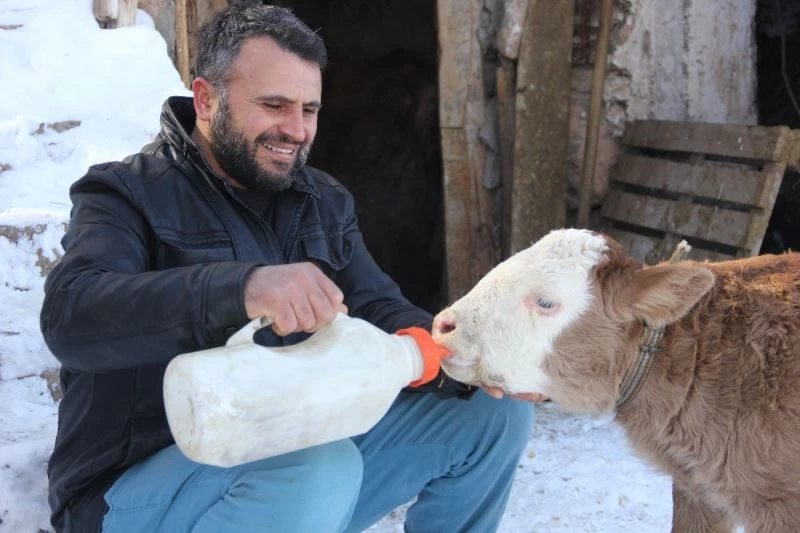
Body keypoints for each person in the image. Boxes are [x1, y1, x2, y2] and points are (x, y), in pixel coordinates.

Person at [40, 3, 536, 532]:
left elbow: (375, 306)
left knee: (493, 414)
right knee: (320, 465)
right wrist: (243, 288)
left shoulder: (323, 201)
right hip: (136, 490)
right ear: (207, 100)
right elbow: (73, 315)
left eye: (310, 109)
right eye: (274, 105)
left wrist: (465, 357)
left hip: (288, 458)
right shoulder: (124, 193)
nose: (296, 130)